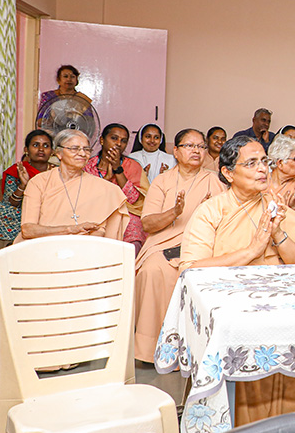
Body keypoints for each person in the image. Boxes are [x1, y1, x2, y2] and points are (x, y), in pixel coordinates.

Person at [179, 135, 295, 425]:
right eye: (251, 163)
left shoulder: (278, 207)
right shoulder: (212, 211)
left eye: (264, 162)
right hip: (231, 304)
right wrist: (252, 251)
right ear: (228, 173)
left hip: (281, 302)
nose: (263, 169)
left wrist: (276, 234)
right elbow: (190, 268)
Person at [134, 128, 224, 362]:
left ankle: (192, 350)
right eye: (190, 146)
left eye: (201, 147)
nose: (197, 151)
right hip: (163, 243)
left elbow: (224, 221)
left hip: (200, 244)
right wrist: (174, 212)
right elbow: (148, 223)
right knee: (152, 270)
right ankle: (151, 347)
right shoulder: (162, 181)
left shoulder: (213, 181)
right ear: (176, 151)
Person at [20, 129, 128, 242]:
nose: (82, 154)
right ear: (58, 153)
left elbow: (109, 241)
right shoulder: (39, 182)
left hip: (89, 251)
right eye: (74, 149)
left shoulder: (109, 191)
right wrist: (71, 230)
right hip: (44, 247)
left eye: (86, 149)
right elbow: (28, 230)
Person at [86, 123, 148, 252]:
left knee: (134, 228)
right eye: (114, 138)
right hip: (94, 212)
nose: (119, 143)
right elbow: (86, 197)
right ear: (102, 140)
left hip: (127, 213)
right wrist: (107, 179)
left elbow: (136, 201)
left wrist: (117, 169)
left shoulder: (133, 166)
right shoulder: (88, 166)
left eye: (123, 141)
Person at [0, 130, 53, 246]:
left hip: (52, 214)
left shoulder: (58, 172)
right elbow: (10, 204)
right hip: (22, 215)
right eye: (36, 145)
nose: (41, 149)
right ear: (26, 150)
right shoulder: (17, 171)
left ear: (52, 151)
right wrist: (23, 185)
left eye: (46, 145)